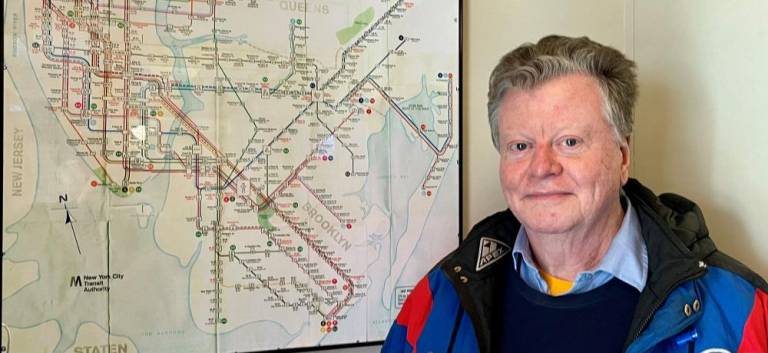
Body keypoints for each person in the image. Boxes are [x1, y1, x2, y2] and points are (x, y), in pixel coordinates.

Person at [381, 35, 767, 353]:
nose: (542, 167)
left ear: (623, 156)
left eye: (569, 142)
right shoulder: (437, 301)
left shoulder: (739, 310)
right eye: (520, 146)